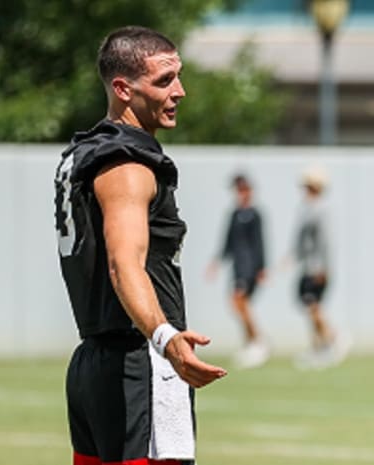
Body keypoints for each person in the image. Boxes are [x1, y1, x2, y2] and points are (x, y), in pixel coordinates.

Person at [54, 26, 227, 465]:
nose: (180, 91)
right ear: (123, 89)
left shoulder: (86, 152)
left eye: (179, 76)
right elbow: (123, 263)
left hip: (93, 363)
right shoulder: (128, 163)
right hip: (138, 363)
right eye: (164, 80)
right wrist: (166, 338)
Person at [206, 174, 269, 368]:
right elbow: (227, 241)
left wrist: (261, 267)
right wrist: (216, 262)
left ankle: (258, 341)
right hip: (237, 267)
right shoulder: (234, 214)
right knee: (239, 305)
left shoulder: (255, 214)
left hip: (249, 268)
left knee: (239, 302)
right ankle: (250, 342)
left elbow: (260, 242)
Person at [291, 166, 348, 369]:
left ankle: (333, 339)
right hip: (307, 266)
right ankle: (318, 347)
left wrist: (323, 267)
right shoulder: (306, 208)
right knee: (310, 308)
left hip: (316, 268)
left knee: (313, 306)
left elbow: (325, 241)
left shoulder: (321, 209)